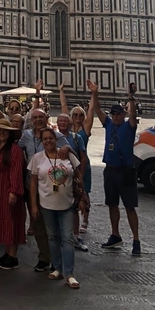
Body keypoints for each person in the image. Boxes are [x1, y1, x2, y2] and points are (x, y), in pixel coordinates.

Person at [87, 79, 141, 255]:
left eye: (118, 113)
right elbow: (97, 110)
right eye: (114, 114)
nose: (116, 116)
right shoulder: (109, 124)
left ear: (123, 114)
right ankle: (115, 235)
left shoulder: (129, 126)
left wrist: (131, 97)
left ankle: (136, 239)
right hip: (110, 170)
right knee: (112, 204)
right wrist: (95, 93)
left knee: (129, 206)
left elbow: (133, 115)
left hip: (125, 171)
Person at [30, 127, 83, 289]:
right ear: (41, 142)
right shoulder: (37, 159)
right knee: (52, 237)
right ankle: (57, 268)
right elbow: (33, 183)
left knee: (67, 238)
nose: (48, 141)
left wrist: (82, 197)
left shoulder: (67, 155)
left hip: (66, 204)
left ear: (56, 139)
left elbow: (79, 176)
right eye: (45, 139)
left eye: (50, 138)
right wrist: (33, 204)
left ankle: (69, 273)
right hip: (46, 204)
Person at [18, 108, 70, 272]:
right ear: (31, 120)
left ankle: (57, 258)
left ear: (46, 118)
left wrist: (66, 149)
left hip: (51, 186)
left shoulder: (56, 135)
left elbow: (68, 148)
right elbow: (18, 150)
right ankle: (44, 257)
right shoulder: (26, 135)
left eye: (41, 117)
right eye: (35, 118)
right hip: (31, 184)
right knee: (37, 223)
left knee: (53, 226)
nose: (38, 120)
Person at [0, 116, 26, 270]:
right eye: (0, 130)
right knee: (2, 220)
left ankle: (13, 256)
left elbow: (16, 171)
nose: (2, 133)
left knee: (11, 220)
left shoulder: (14, 149)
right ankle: (7, 253)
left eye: (5, 131)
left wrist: (14, 191)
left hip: (8, 188)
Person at [59, 83, 94, 233]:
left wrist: (94, 94)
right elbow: (64, 106)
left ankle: (85, 219)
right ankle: (71, 220)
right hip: (69, 165)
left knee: (84, 192)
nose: (78, 117)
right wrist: (61, 91)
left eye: (80, 114)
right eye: (75, 115)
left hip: (83, 164)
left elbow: (92, 109)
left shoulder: (85, 129)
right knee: (71, 192)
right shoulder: (69, 128)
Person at [56, 112, 89, 252]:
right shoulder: (54, 137)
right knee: (57, 206)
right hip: (57, 178)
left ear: (69, 123)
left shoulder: (76, 138)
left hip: (73, 177)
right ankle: (59, 236)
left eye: (65, 121)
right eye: (60, 121)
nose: (63, 123)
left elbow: (83, 157)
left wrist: (80, 176)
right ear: (57, 124)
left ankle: (75, 236)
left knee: (74, 207)